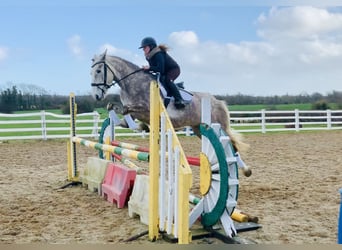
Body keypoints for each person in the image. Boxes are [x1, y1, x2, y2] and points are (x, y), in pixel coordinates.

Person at [139, 37, 186, 109]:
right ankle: (175, 87)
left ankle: (179, 100)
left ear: (151, 46)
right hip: (165, 71)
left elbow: (160, 69)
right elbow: (155, 69)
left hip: (174, 69)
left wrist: (149, 68)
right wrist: (146, 70)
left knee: (168, 80)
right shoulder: (149, 56)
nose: (143, 49)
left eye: (145, 47)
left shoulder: (158, 54)